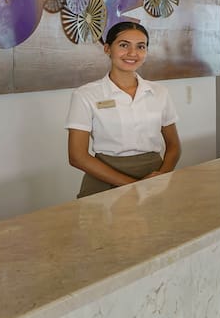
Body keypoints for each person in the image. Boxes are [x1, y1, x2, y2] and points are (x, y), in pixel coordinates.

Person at [66, 20, 182, 198]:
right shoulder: (85, 95)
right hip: (105, 179)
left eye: (141, 46)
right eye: (123, 45)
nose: (132, 53)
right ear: (107, 49)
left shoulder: (159, 92)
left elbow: (174, 146)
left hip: (154, 177)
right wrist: (136, 185)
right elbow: (77, 156)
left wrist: (161, 178)